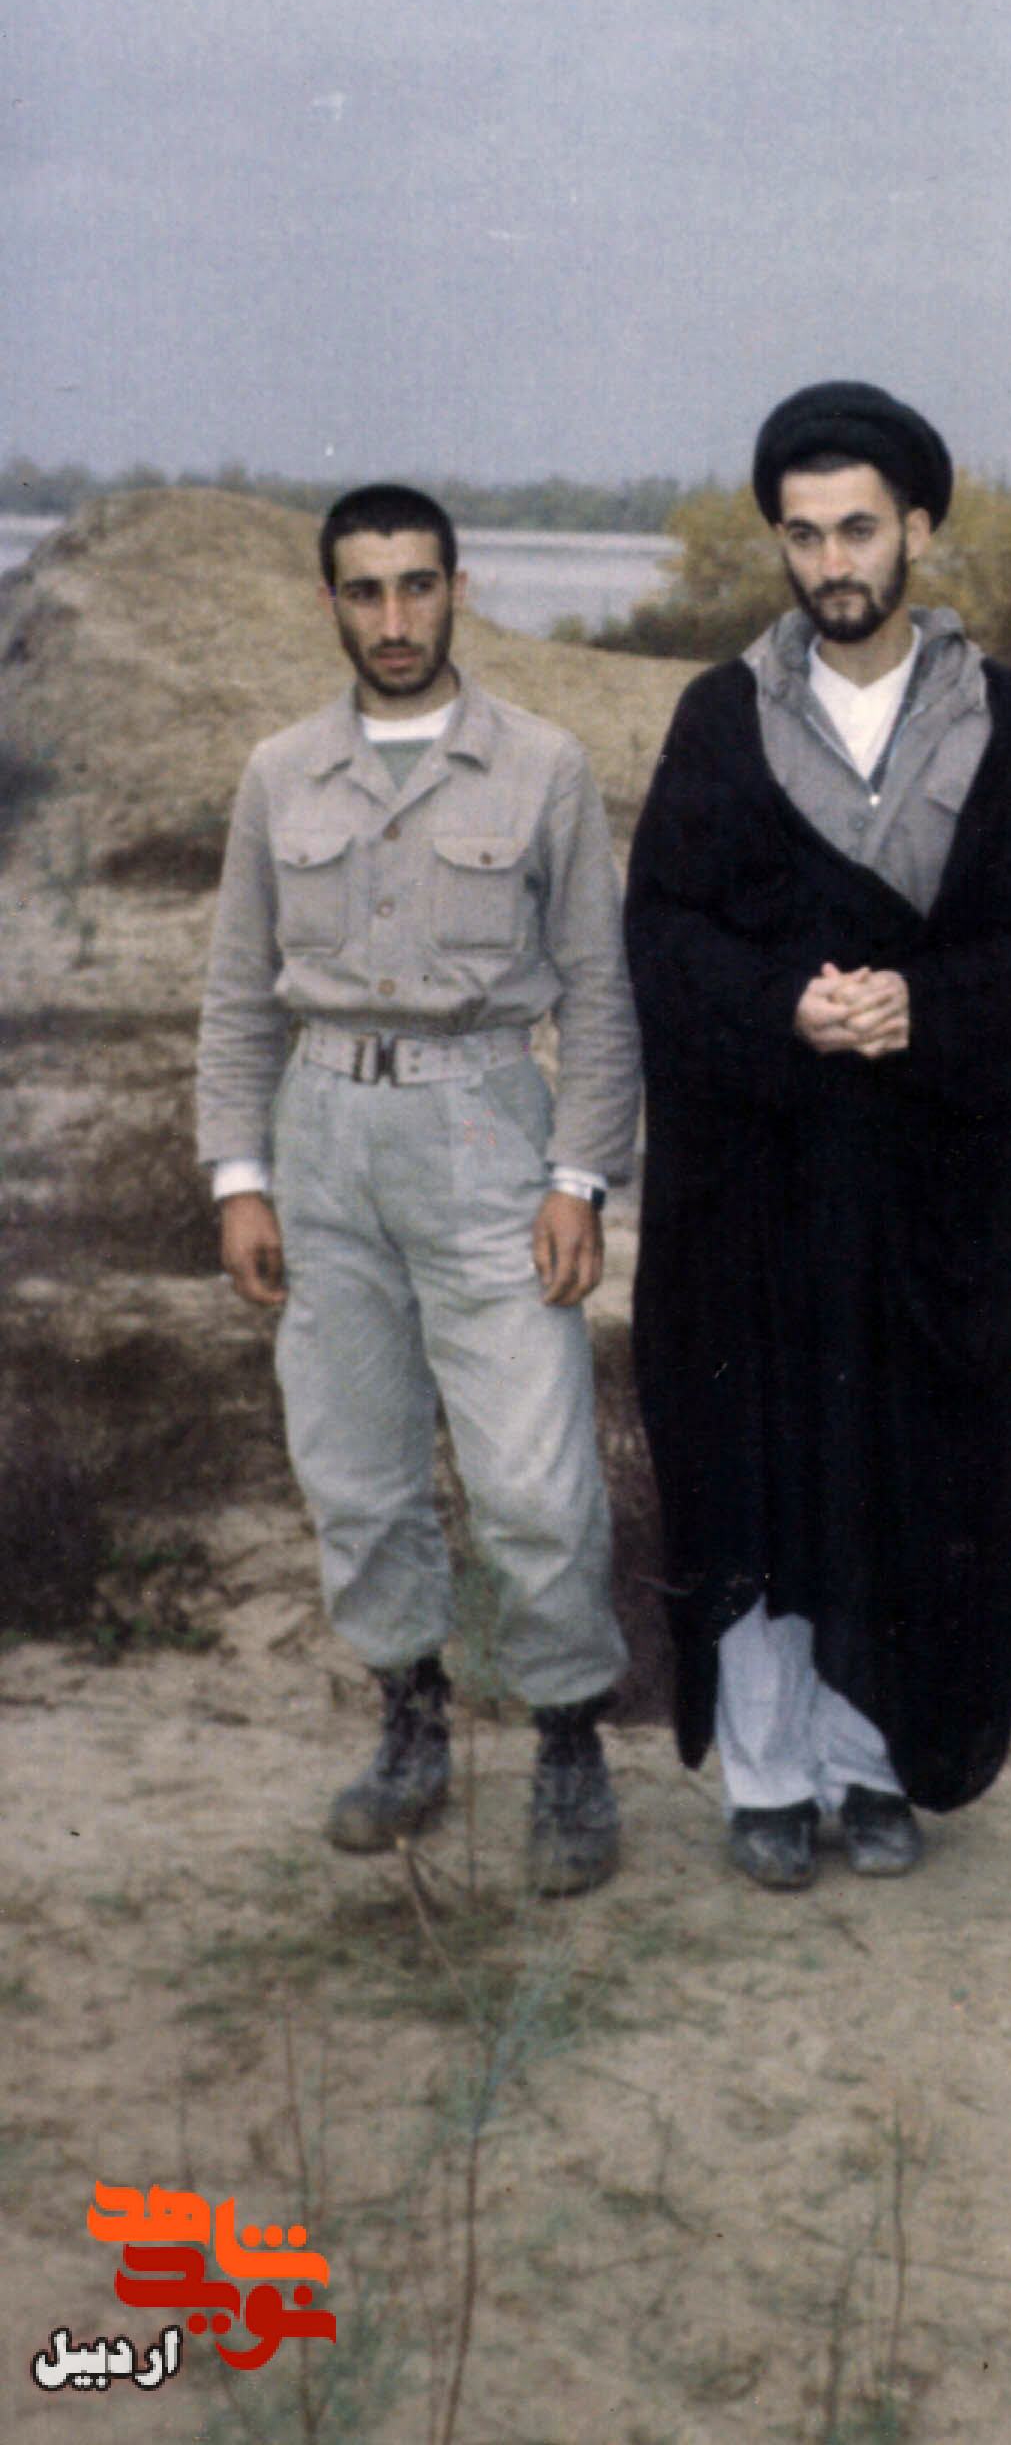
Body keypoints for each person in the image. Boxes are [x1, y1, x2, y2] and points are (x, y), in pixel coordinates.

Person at [625, 382, 1011, 1890]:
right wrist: (788, 1006)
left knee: (910, 1472)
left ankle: (874, 1764)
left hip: (928, 1191)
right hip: (757, 1186)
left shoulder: (1009, 725)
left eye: (859, 531)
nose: (832, 563)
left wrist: (922, 1004)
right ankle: (769, 1780)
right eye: (804, 535)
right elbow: (664, 932)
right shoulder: (721, 718)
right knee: (760, 1466)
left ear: (920, 532)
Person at [195, 482, 641, 1896]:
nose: (394, 619)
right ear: (331, 602)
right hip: (323, 1139)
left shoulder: (543, 764)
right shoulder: (280, 773)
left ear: (459, 590)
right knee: (355, 1467)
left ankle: (568, 1740)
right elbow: (237, 995)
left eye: (418, 586)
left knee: (534, 1476)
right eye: (366, 591)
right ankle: (410, 1724)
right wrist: (240, 1177)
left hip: (486, 1130)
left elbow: (601, 993)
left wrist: (579, 1178)